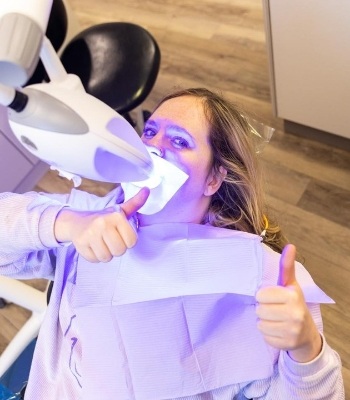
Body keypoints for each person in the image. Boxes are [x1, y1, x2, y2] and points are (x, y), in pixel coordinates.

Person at [0, 88, 344, 399]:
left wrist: (306, 352)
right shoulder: (89, 220)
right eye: (149, 132)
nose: (153, 147)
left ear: (213, 178)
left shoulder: (260, 276)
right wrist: (64, 223)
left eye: (179, 141)